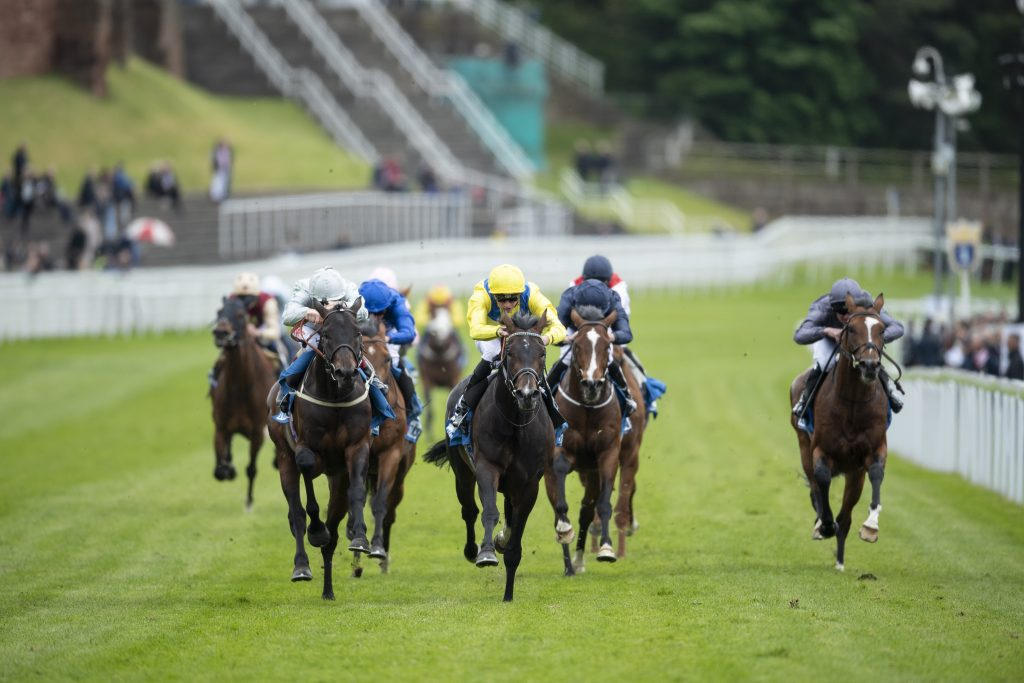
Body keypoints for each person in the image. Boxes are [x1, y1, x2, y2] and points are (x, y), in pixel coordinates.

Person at [445, 264, 566, 438]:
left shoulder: (532, 293)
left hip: (522, 335)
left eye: (512, 299)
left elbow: (558, 327)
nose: (507, 305)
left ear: (520, 293)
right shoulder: (481, 295)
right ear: (493, 295)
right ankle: (462, 409)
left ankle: (553, 417)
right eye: (501, 299)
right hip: (490, 333)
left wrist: (545, 339)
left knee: (532, 361)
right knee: (491, 354)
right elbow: (475, 329)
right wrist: (497, 331)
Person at [791, 277, 906, 428]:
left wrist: (873, 337)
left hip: (859, 341)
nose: (846, 316)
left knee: (872, 358)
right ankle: (805, 400)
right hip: (830, 340)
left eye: (849, 310)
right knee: (826, 361)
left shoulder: (868, 303)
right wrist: (826, 330)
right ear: (832, 308)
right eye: (841, 312)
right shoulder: (822, 307)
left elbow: (897, 327)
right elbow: (799, 335)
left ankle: (890, 393)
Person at [272, 267, 379, 422]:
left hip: (340, 327)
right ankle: (287, 392)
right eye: (323, 301)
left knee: (349, 347)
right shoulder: (303, 287)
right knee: (311, 349)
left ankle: (373, 380)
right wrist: (307, 312)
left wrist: (338, 309)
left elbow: (363, 312)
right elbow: (287, 316)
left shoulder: (347, 287)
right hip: (313, 329)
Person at [546, 278, 637, 414]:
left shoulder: (613, 298)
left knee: (609, 359)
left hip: (601, 332)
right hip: (575, 330)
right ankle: (545, 397)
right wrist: (568, 339)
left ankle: (627, 396)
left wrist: (610, 337)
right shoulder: (568, 298)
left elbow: (626, 333)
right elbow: (554, 333)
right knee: (566, 358)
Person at [359, 278, 422, 440]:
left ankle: (414, 415)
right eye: (370, 313)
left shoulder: (396, 302)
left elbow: (409, 332)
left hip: (388, 336)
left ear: (387, 306)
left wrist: (388, 338)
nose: (375, 317)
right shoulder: (353, 301)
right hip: (362, 336)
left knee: (394, 361)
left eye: (379, 313)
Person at [209, 272, 286, 388]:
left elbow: (275, 332)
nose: (244, 302)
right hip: (240, 339)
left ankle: (286, 385)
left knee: (284, 355)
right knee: (221, 359)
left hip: (263, 339)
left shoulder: (267, 302)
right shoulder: (231, 300)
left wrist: (257, 333)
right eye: (240, 298)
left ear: (256, 295)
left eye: (248, 298)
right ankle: (214, 382)